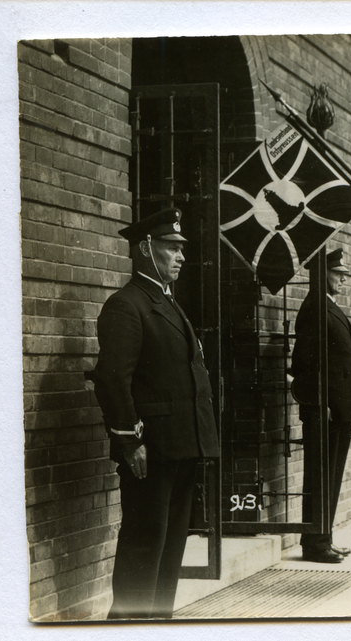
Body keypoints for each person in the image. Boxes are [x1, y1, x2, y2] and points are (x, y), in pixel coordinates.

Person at [91, 208, 220, 619]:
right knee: (144, 547)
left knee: (168, 551)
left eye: (182, 248)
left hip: (181, 446)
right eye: (171, 248)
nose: (181, 256)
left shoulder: (165, 302)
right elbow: (113, 381)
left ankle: (157, 624)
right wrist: (130, 442)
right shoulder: (126, 306)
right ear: (146, 249)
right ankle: (127, 627)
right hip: (151, 451)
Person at [292, 248, 351, 563]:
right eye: (338, 272)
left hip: (338, 408)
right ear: (322, 274)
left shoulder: (327, 306)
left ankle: (324, 536)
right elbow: (304, 364)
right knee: (321, 475)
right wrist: (320, 402)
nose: (344, 277)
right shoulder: (314, 308)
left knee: (331, 475)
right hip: (325, 409)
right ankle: (315, 542)